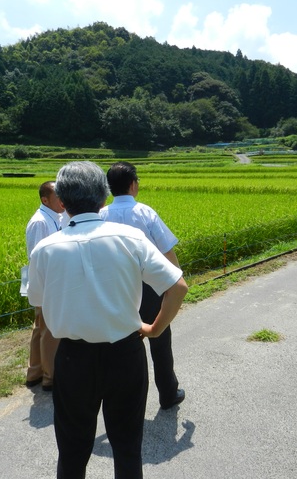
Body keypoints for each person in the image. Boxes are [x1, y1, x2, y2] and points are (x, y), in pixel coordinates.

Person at [27, 161, 188, 479]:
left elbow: (40, 304)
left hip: (73, 358)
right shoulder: (130, 238)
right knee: (127, 449)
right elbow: (177, 287)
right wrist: (155, 329)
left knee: (72, 453)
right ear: (103, 196)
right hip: (125, 355)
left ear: (63, 199)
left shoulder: (45, 249)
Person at [99, 161, 185, 410]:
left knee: (120, 342)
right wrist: (175, 279)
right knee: (159, 340)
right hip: (150, 287)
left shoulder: (102, 215)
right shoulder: (146, 213)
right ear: (134, 184)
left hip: (115, 288)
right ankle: (168, 394)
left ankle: (122, 401)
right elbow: (166, 249)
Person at [24, 181, 68, 392]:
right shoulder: (40, 222)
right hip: (47, 281)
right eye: (58, 196)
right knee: (49, 330)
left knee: (40, 327)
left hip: (47, 280)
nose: (62, 201)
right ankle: (50, 377)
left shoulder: (54, 218)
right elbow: (37, 257)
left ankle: (35, 372)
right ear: (45, 199)